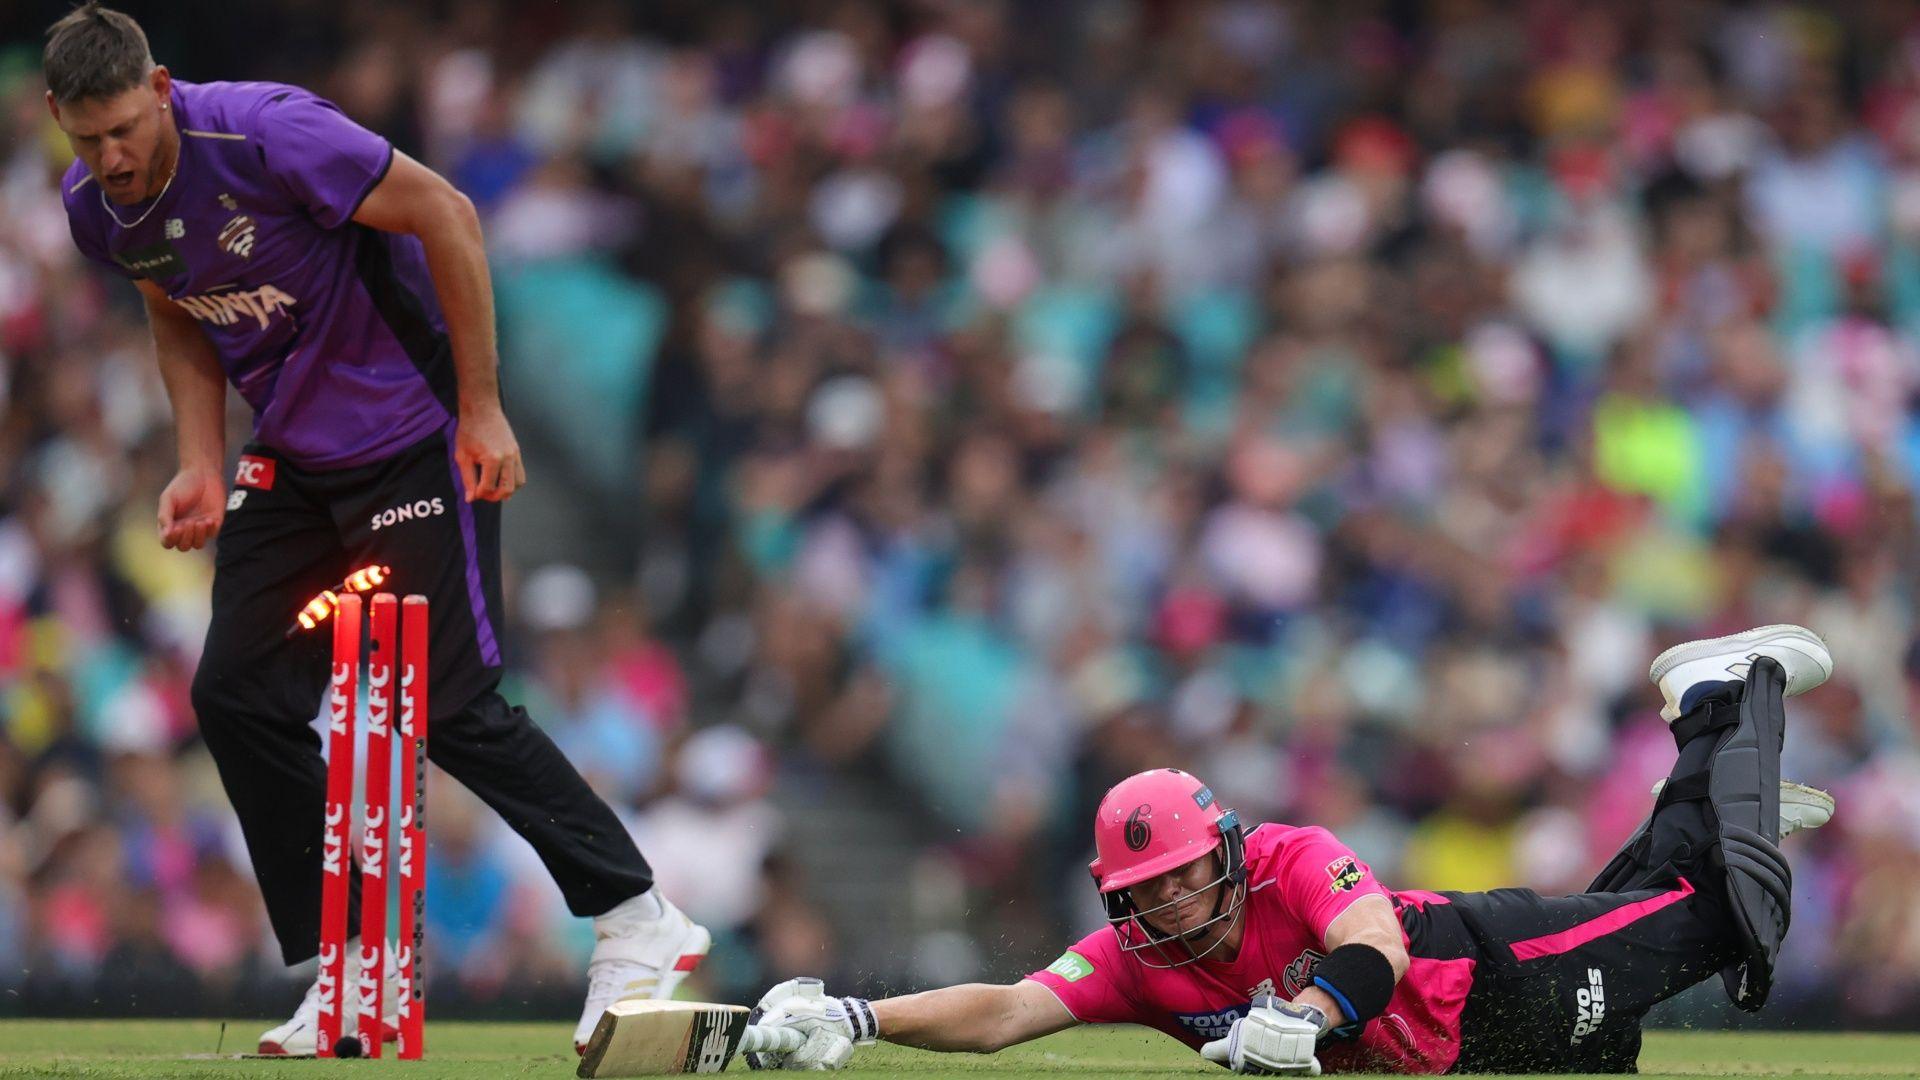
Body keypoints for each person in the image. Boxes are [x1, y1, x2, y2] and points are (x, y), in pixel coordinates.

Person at [43, 4, 704, 1055]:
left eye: (124, 128)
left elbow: (447, 213)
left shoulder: (267, 133)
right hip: (296, 456)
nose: (111, 157)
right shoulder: (95, 208)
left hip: (415, 430)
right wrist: (201, 459)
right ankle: (355, 967)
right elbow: (174, 307)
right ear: (57, 119)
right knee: (234, 692)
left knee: (445, 701)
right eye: (88, 138)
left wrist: (482, 407)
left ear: (160, 88)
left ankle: (638, 917)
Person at [745, 625, 1836, 1074]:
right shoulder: (1133, 963)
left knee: (1716, 922)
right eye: (1150, 887)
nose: (1176, 898)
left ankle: (1709, 698)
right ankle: (1697, 814)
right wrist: (860, 1018)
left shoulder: (1289, 854)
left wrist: (1307, 1016)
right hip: (1455, 1059)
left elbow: (1376, 943)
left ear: (1222, 850)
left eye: (1185, 870)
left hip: (1489, 967)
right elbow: (1005, 1010)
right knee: (1636, 1001)